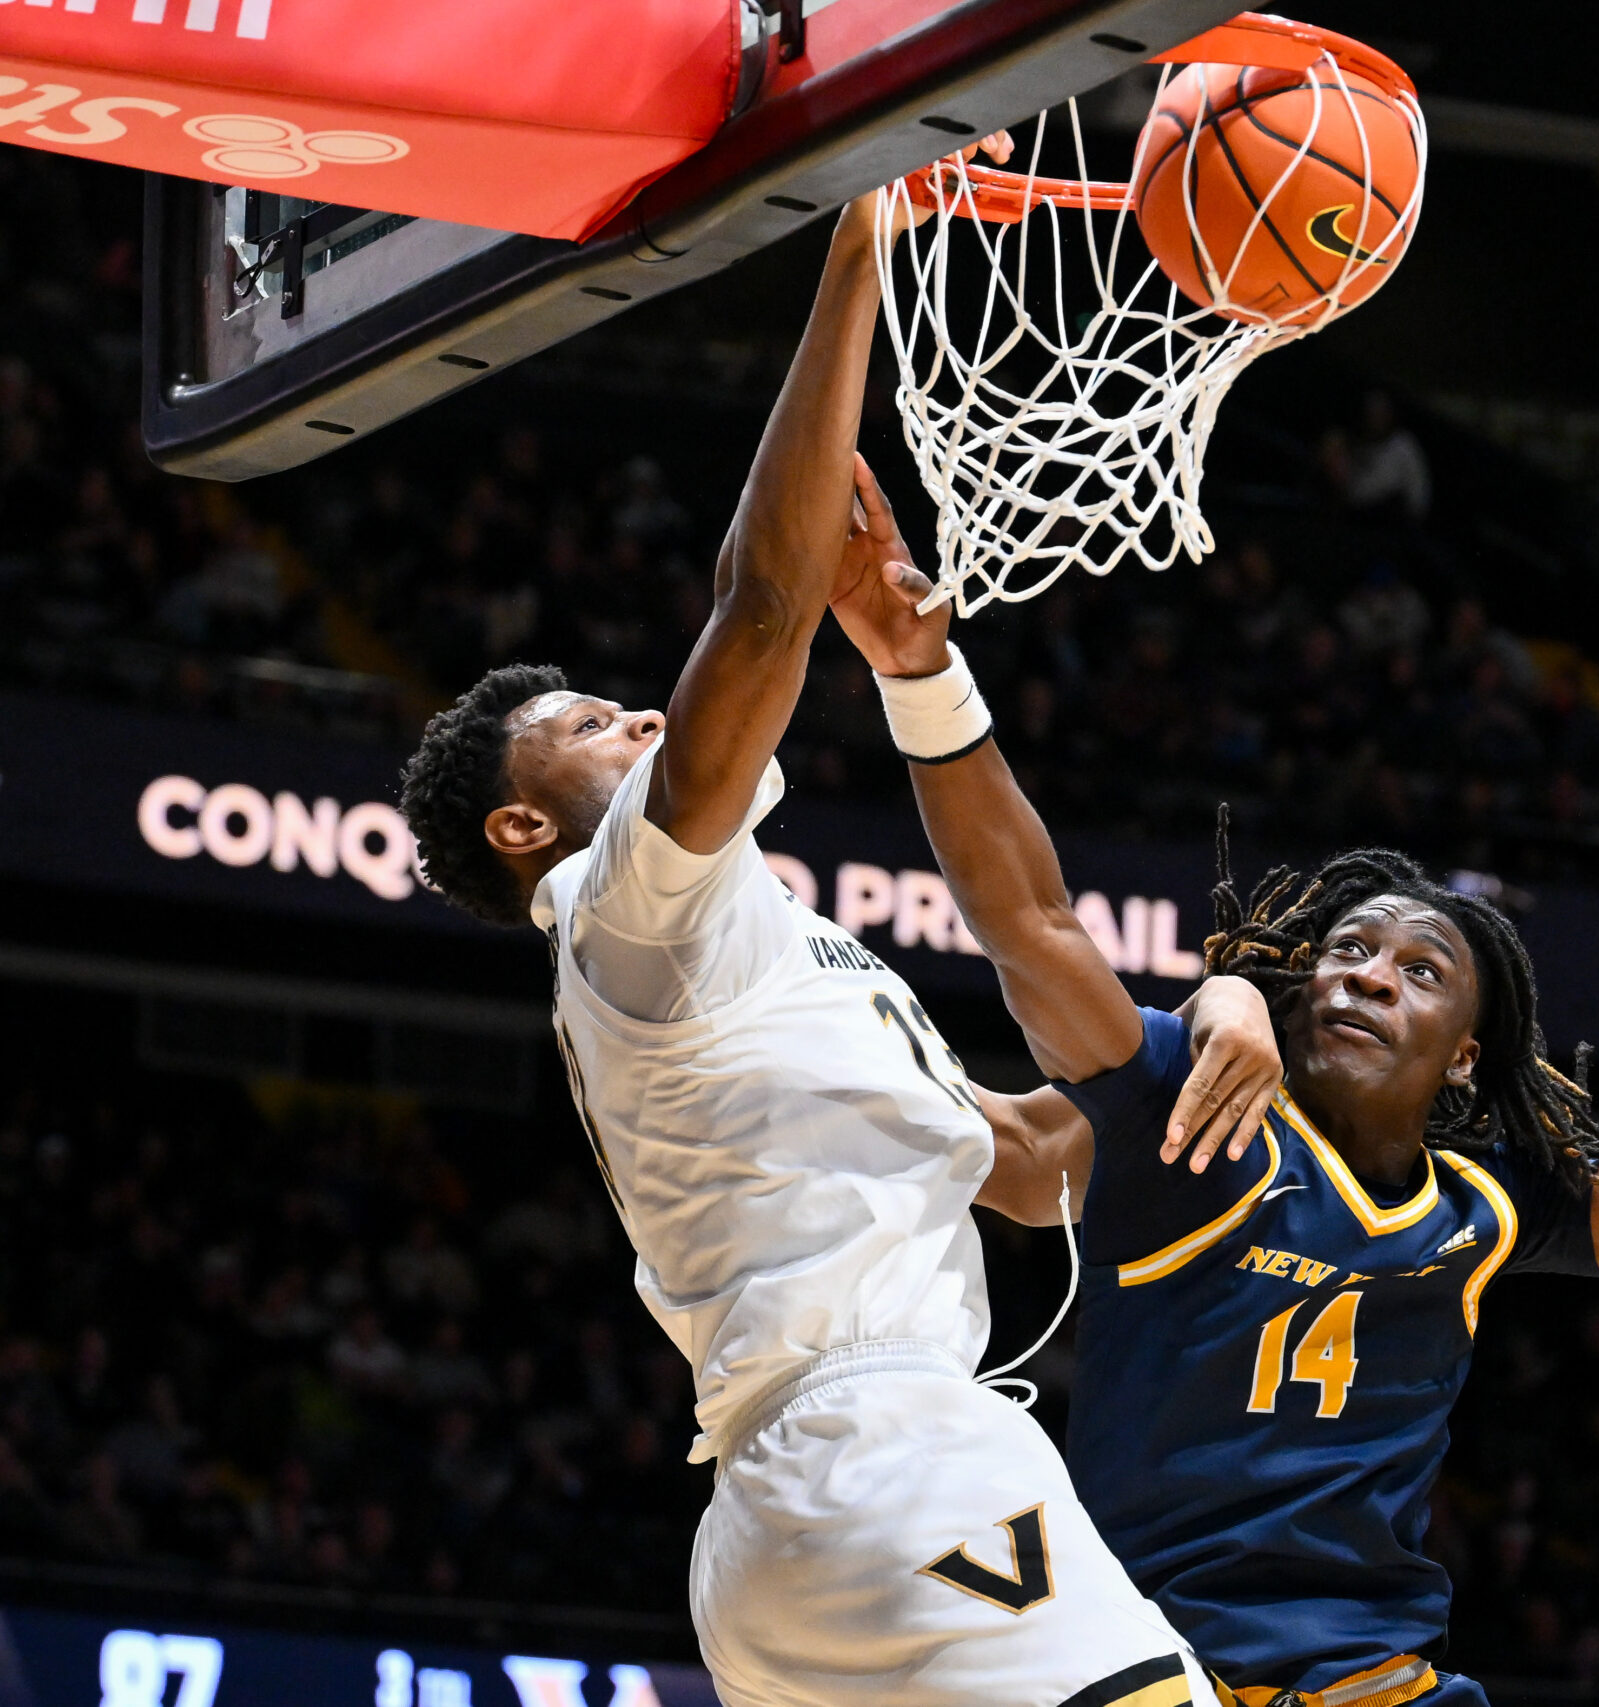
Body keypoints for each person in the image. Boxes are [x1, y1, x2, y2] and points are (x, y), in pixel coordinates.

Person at [397, 184, 1275, 1707]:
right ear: (523, 830)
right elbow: (760, 606)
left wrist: (1228, 1024)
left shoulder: (757, 957)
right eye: (597, 726)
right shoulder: (622, 902)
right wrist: (860, 238)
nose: (647, 714)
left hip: (791, 1518)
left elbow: (1028, 1160)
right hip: (880, 1452)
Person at [830, 471, 1599, 1707]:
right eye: (1346, 953)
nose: (1367, 978)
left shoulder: (1490, 1204)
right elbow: (1032, 925)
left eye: (1419, 970)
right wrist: (920, 677)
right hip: (1143, 1675)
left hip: (1374, 1684)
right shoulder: (1192, 1119)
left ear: (1466, 1053)